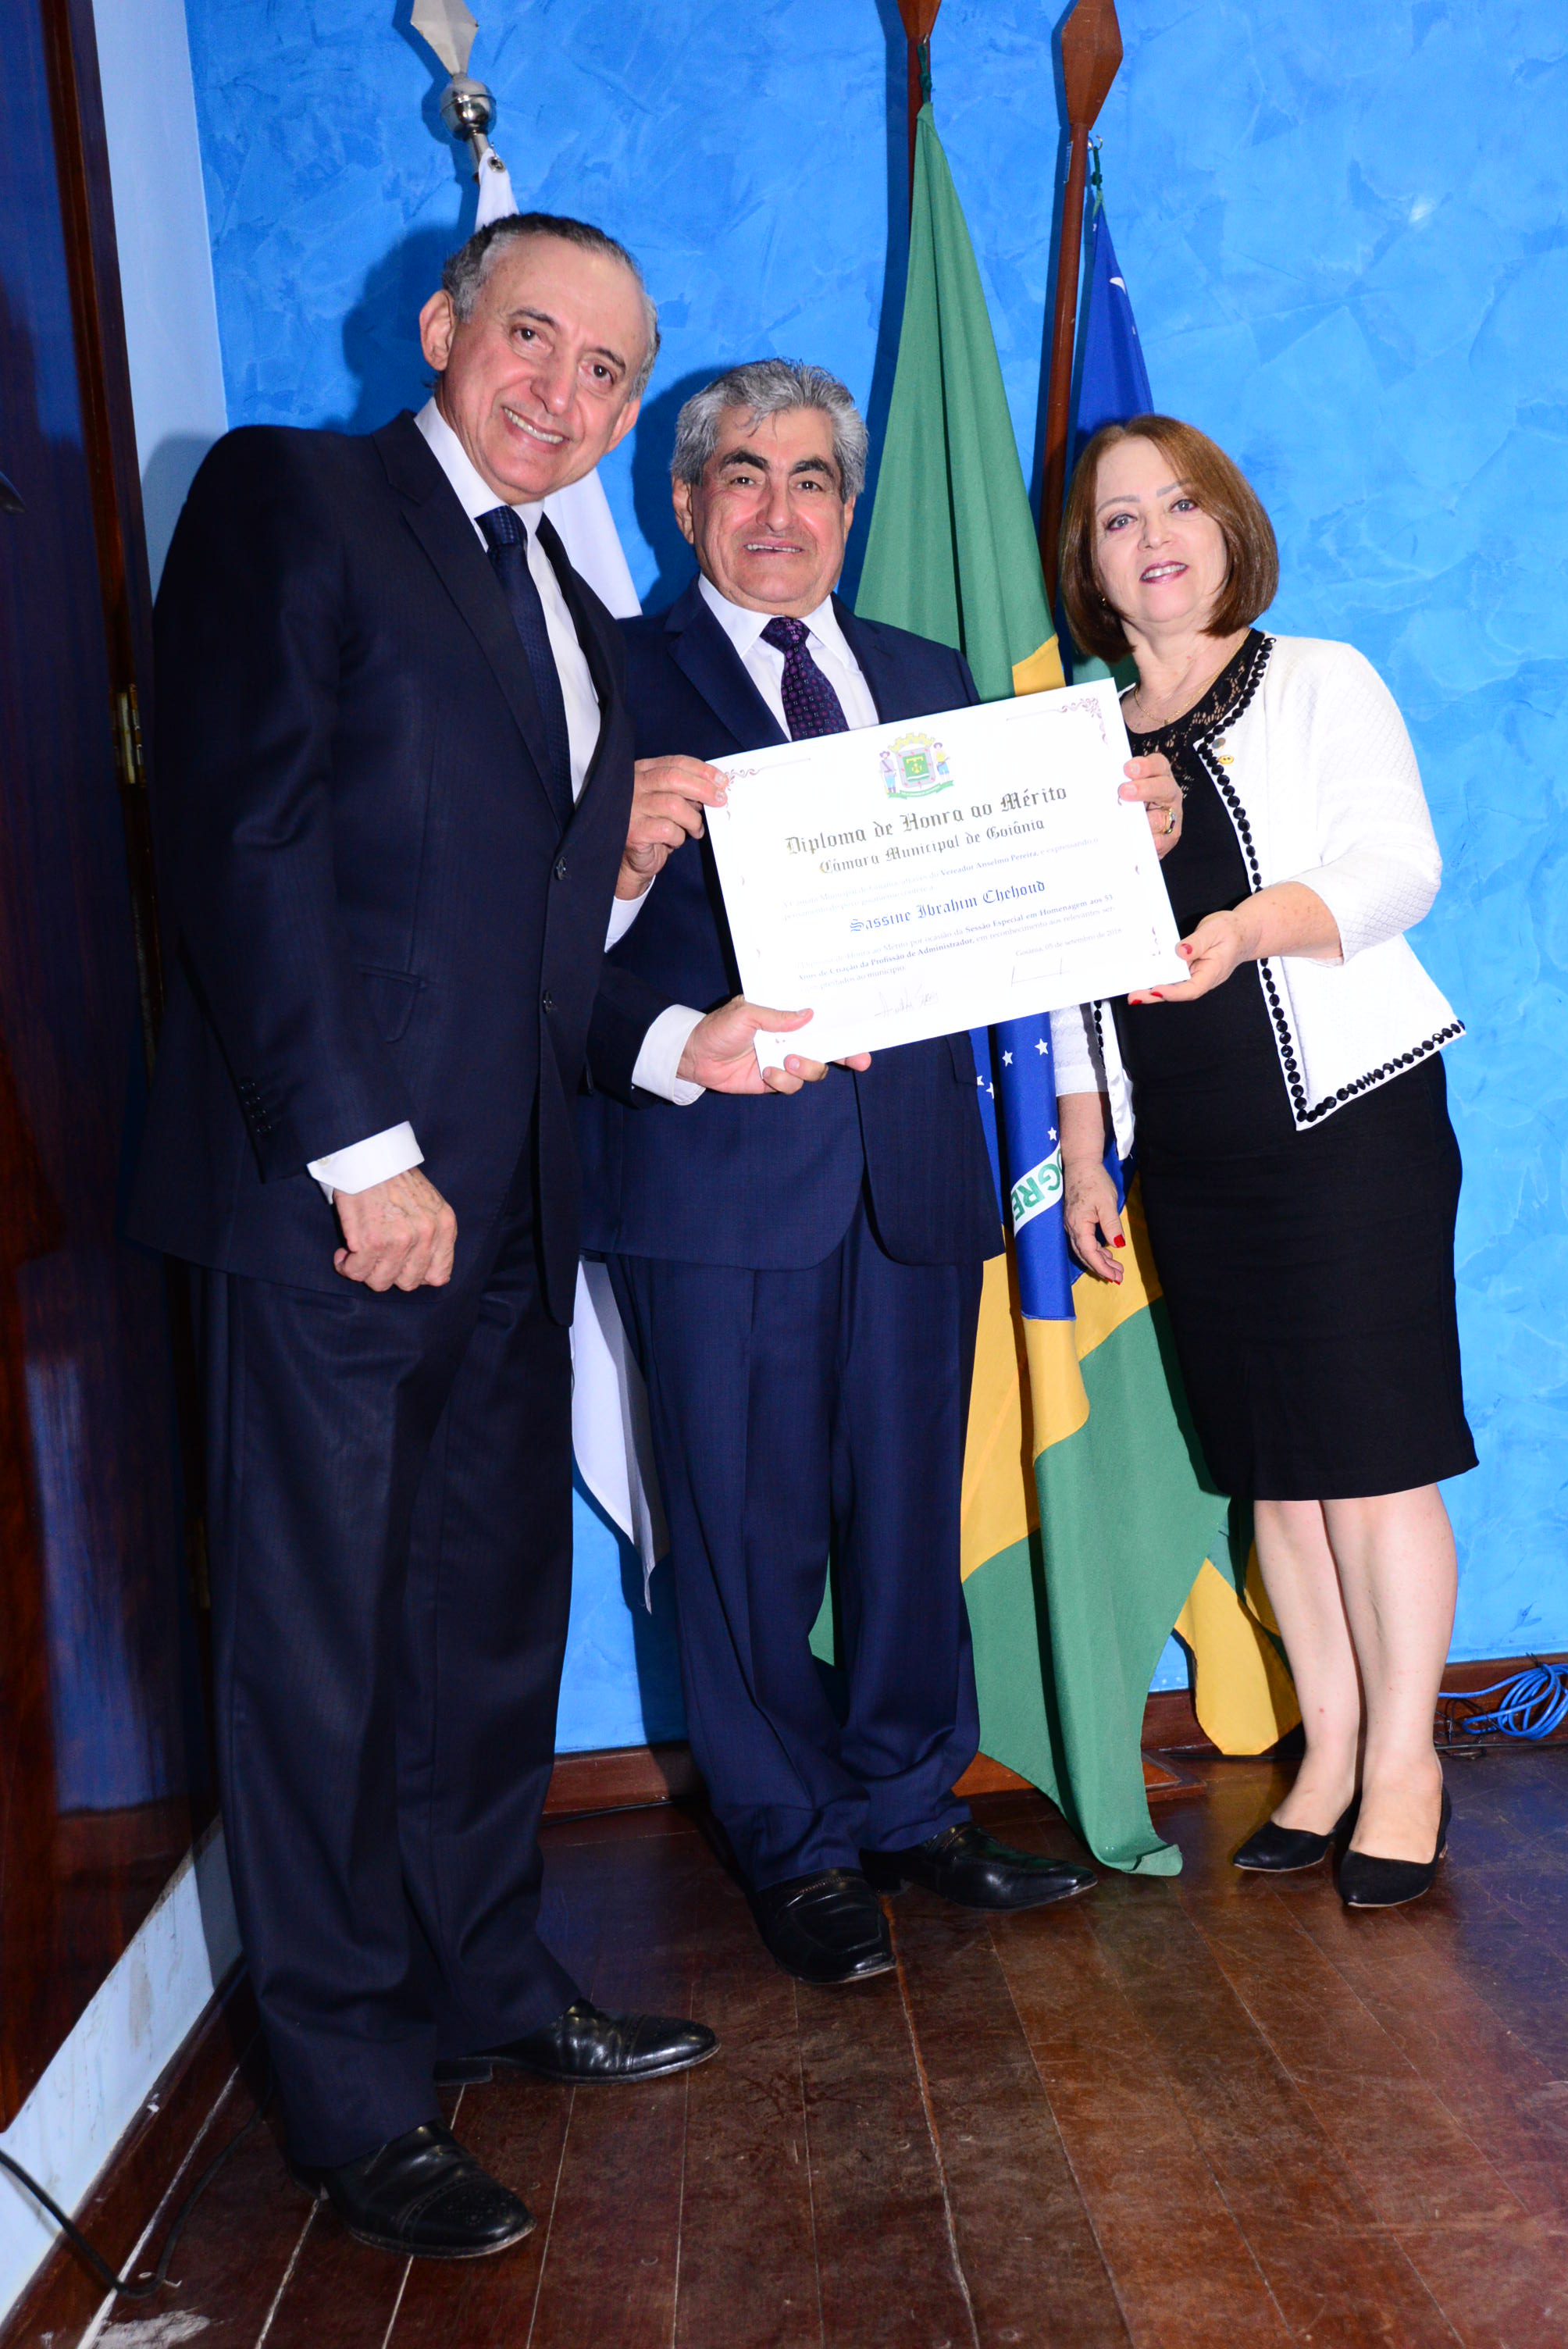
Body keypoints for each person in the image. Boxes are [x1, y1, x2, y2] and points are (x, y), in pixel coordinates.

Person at [127, 216, 819, 2262]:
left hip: (517, 1220)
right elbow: (239, 838)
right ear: (443, 328)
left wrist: (682, 1034)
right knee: (322, 1656)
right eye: (533, 338)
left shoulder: (580, 616)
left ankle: (489, 1986)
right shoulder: (294, 498)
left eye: (607, 371)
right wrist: (360, 1155)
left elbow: (531, 954)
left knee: (484, 1631)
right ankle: (352, 2094)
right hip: (335, 1214)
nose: (563, 392)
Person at [579, 362, 1178, 1987]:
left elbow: (1026, 916)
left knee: (909, 1517)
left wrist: (1118, 836)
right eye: (744, 475)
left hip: (914, 1177)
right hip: (715, 1180)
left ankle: (911, 1804)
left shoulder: (930, 676)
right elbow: (531, 950)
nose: (779, 511)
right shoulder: (608, 680)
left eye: (811, 480)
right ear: (686, 501)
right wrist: (659, 979)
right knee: (743, 1537)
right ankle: (795, 1843)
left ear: (849, 507)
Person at [1053, 414, 1476, 1912]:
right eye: (1118, 518)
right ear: (1090, 563)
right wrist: (1088, 1157)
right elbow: (1068, 979)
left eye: (1180, 504)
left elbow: (1399, 870)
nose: (1153, 536)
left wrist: (1240, 928)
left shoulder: (1317, 679)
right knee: (1279, 1482)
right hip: (1195, 1154)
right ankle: (1332, 1753)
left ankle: (1408, 1767)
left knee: (1371, 1460)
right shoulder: (1073, 742)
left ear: (1228, 525)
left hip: (1348, 1123)